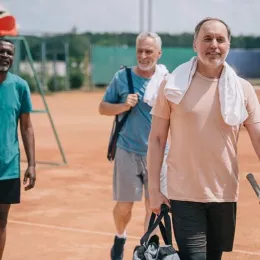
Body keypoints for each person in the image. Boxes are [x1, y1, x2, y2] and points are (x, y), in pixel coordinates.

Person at [147, 17, 260, 260]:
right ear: (195, 44)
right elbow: (156, 139)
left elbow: (258, 136)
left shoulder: (243, 89)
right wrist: (154, 190)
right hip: (184, 193)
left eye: (220, 39)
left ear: (228, 44)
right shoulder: (172, 86)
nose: (214, 45)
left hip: (224, 193)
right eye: (207, 38)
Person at [99, 32, 169, 260]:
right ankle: (120, 236)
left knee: (155, 206)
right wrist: (123, 106)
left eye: (149, 51)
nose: (143, 55)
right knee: (125, 206)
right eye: (140, 50)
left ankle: (148, 248)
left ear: (158, 53)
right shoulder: (122, 77)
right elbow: (102, 108)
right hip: (127, 150)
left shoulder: (166, 81)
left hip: (157, 153)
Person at [0, 38, 36, 260]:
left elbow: (27, 127)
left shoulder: (20, 86)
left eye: (9, 53)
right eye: (1, 51)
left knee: (2, 220)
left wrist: (32, 164)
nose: (5, 56)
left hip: (8, 166)